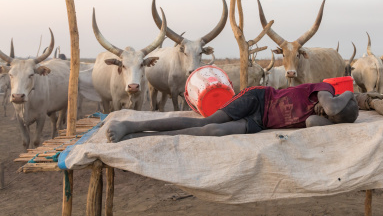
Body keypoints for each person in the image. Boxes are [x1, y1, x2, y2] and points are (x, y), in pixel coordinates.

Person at [107, 82, 361, 143]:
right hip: (258, 98)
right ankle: (131, 125)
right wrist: (349, 93)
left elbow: (317, 120)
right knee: (208, 120)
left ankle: (137, 138)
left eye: (331, 116)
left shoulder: (322, 116)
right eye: (331, 109)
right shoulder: (325, 90)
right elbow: (331, 106)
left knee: (212, 132)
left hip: (260, 122)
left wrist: (336, 120)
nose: (325, 112)